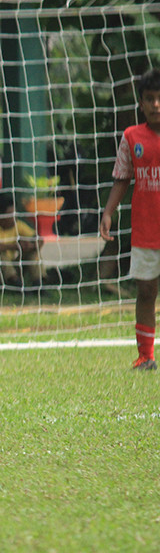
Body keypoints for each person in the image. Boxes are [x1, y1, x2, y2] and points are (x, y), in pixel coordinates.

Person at [100, 67, 160, 371]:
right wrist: (108, 212)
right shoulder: (131, 137)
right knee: (146, 291)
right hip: (146, 232)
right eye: (149, 99)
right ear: (141, 103)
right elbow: (122, 178)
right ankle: (145, 355)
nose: (156, 105)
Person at [0, 194, 45, 289]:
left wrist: (31, 246)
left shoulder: (18, 225)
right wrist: (14, 246)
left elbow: (39, 239)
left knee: (32, 252)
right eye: (11, 215)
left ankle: (39, 283)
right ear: (0, 216)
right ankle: (15, 284)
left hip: (9, 268)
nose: (14, 218)